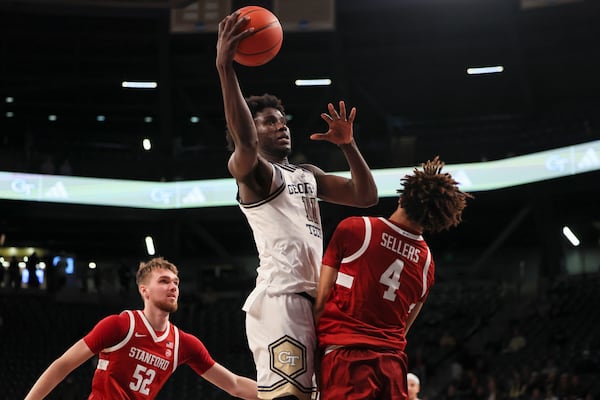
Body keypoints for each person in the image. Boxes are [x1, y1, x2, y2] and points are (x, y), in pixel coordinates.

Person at [216, 10, 378, 400]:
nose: (281, 125)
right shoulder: (253, 174)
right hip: (280, 301)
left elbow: (366, 196)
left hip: (313, 302)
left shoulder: (306, 173)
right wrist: (226, 68)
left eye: (282, 119)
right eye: (269, 121)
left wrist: (348, 146)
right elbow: (245, 145)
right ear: (251, 131)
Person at [314, 157, 473, 399]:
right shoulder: (427, 263)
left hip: (348, 360)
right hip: (392, 367)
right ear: (436, 220)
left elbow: (321, 299)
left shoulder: (357, 229)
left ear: (402, 197)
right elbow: (403, 328)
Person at [24, 257, 259, 400]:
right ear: (144, 290)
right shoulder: (119, 325)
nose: (173, 287)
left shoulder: (183, 343)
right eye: (164, 281)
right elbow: (63, 364)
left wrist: (278, 393)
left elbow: (235, 385)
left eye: (176, 282)